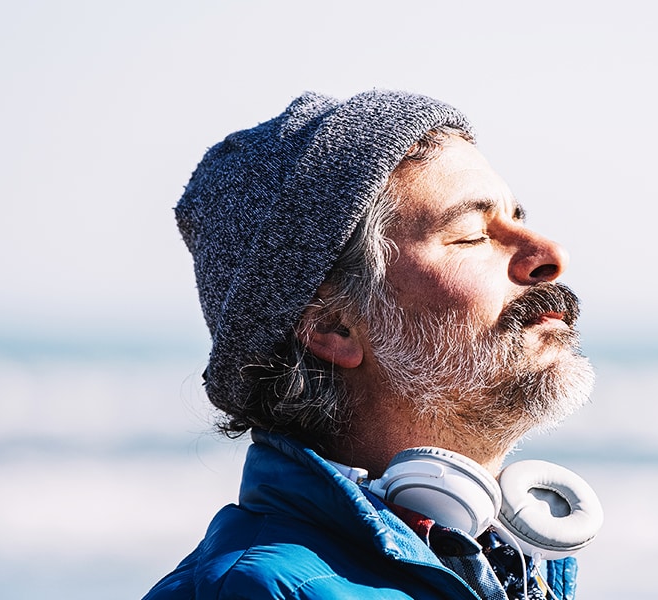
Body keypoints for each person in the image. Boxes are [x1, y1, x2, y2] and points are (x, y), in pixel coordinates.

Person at [144, 90, 602, 600]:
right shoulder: (262, 592)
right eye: (473, 234)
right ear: (333, 327)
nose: (549, 253)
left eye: (517, 216)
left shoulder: (509, 568)